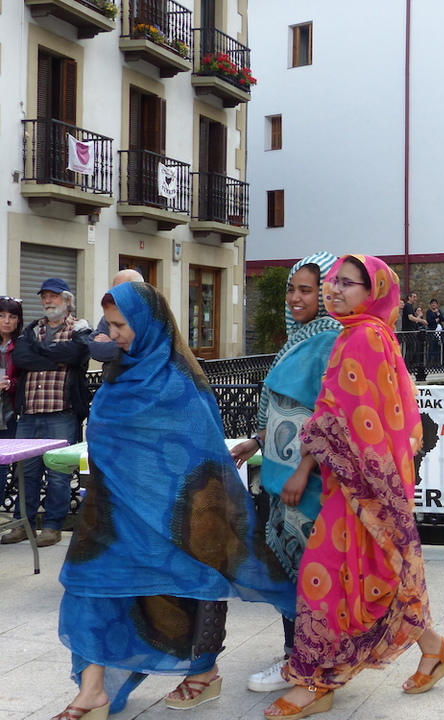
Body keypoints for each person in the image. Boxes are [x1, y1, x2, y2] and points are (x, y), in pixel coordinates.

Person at [53, 282, 295, 720]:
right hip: (112, 518)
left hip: (173, 520)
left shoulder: (181, 382)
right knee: (88, 586)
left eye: (120, 325)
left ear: (147, 324)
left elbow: (203, 458)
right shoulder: (117, 375)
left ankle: (204, 671)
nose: (112, 333)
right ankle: (92, 693)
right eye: (109, 324)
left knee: (192, 585)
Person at [266, 255, 444, 719]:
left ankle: (315, 683)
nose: (334, 289)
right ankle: (435, 649)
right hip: (352, 481)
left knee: (327, 577)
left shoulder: (365, 337)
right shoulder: (362, 333)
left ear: (373, 292)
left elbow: (353, 417)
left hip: (362, 484)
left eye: (347, 283)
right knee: (372, 573)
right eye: (333, 281)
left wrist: (316, 438)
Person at [230, 253, 341, 693]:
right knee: (289, 568)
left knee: (310, 571)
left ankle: (308, 661)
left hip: (308, 483)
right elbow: (282, 408)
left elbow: (328, 415)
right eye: (292, 289)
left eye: (306, 290)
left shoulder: (331, 341)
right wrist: (256, 442)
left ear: (326, 294)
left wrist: (304, 469)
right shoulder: (298, 338)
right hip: (282, 478)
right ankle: (301, 655)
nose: (296, 298)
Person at [1, 279, 91, 548]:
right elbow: (21, 358)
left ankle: (52, 527)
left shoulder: (79, 328)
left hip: (61, 412)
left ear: (67, 300)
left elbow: (77, 354)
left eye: (54, 296)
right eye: (44, 297)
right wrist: (55, 360)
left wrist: (42, 353)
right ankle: (23, 525)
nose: (48, 301)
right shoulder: (32, 329)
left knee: (58, 474)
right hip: (29, 412)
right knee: (26, 473)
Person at [88, 269, 145, 364]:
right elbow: (93, 348)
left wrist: (110, 344)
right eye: (115, 290)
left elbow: (143, 348)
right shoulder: (108, 317)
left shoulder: (154, 318)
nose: (113, 334)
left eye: (120, 325)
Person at [0, 296, 23, 487]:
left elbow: (26, 378)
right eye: (1, 315)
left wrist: (11, 384)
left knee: (2, 464)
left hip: (8, 413)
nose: (6, 321)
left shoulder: (22, 346)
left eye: (12, 316)